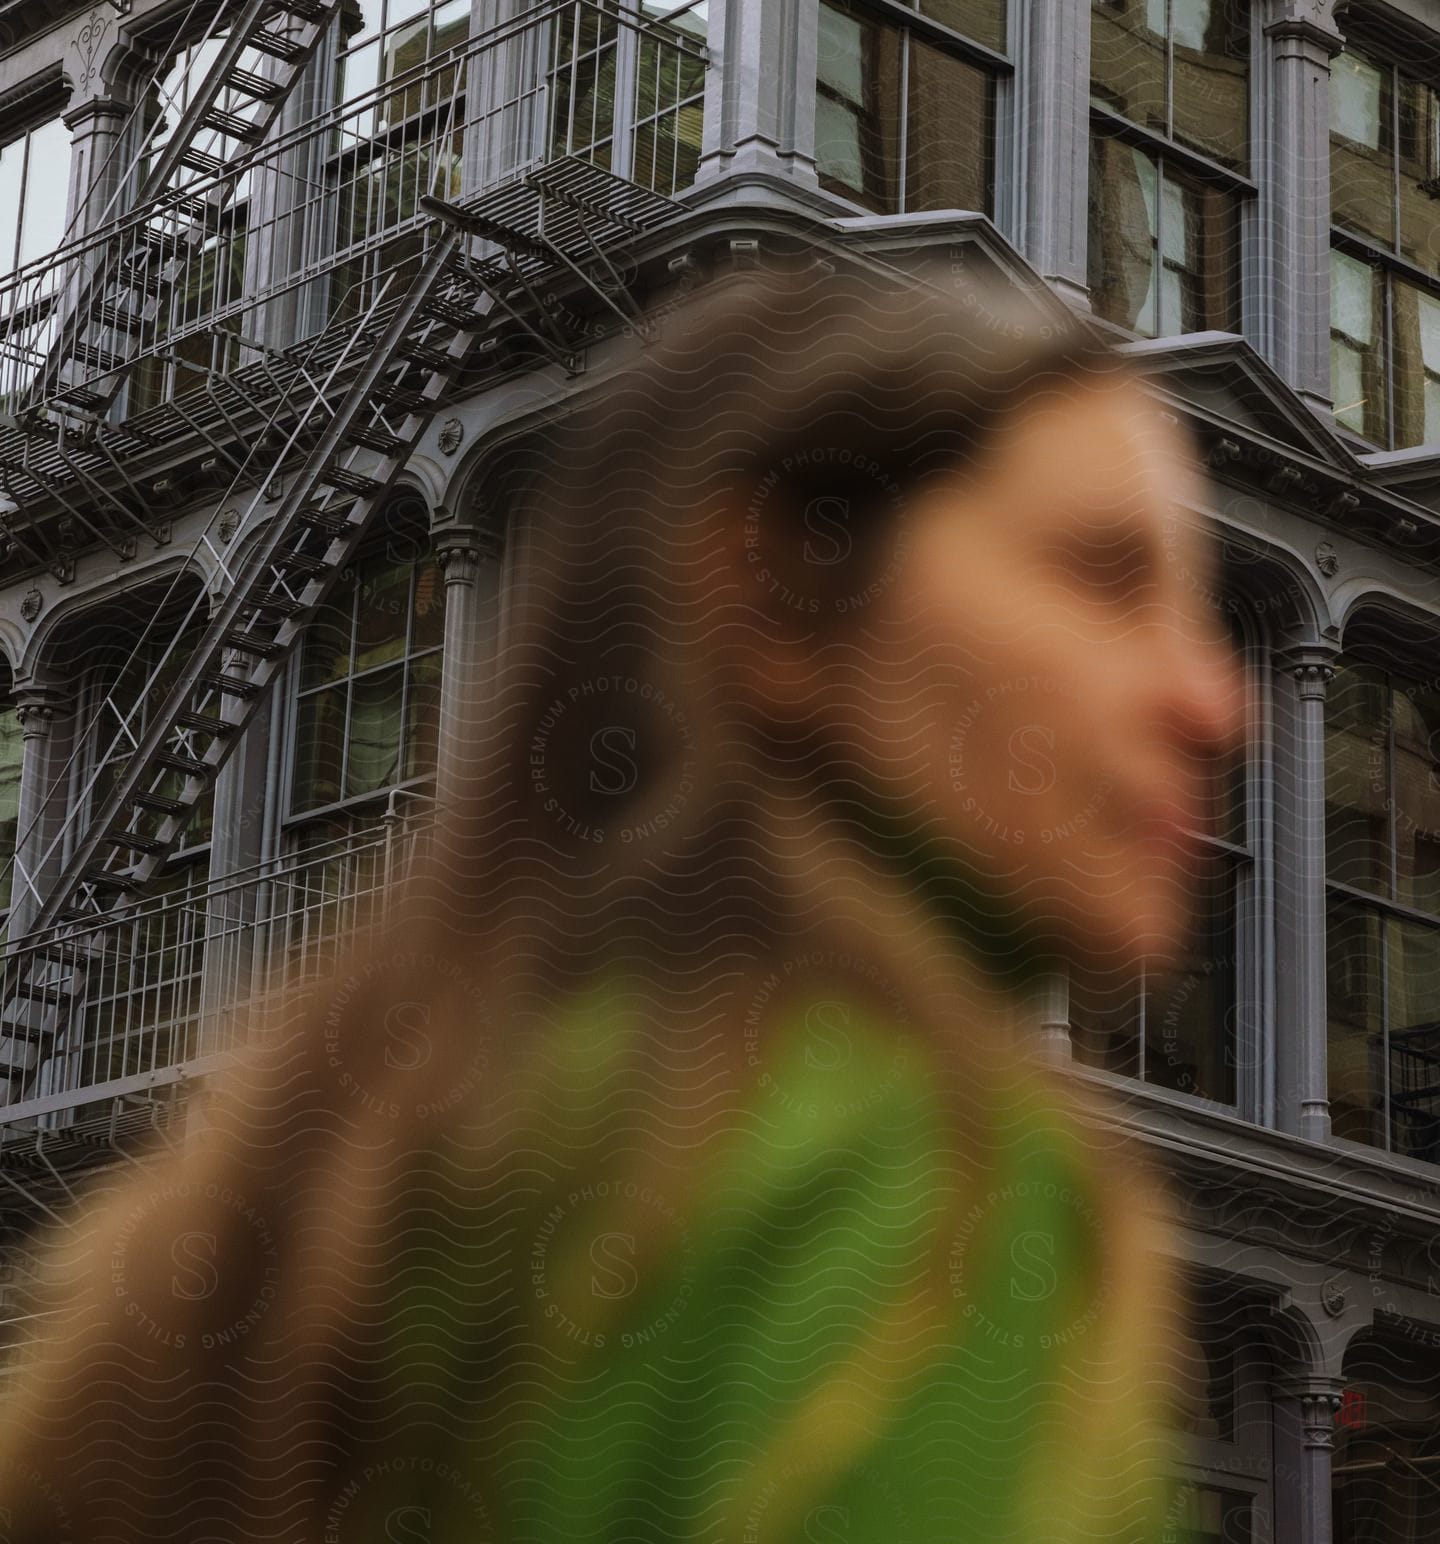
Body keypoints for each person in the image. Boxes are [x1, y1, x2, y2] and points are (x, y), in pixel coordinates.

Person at [0, 253, 1243, 1542]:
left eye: (1203, 614)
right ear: (775, 601)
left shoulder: (348, 1176)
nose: (1213, 702)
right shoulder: (924, 1172)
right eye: (1104, 576)